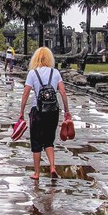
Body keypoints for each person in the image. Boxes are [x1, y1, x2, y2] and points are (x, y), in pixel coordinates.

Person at [19, 47, 72, 180]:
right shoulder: (55, 73)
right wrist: (67, 111)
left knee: (36, 141)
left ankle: (36, 173)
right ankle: (52, 167)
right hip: (53, 111)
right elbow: (63, 92)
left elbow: (25, 94)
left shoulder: (32, 73)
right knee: (49, 140)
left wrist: (21, 112)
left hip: (37, 110)